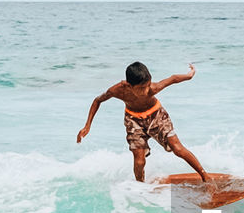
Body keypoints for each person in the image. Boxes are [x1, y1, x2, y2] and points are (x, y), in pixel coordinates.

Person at [76, 61, 209, 183]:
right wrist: (87, 126)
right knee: (139, 161)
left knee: (177, 148)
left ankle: (204, 176)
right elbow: (97, 100)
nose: (146, 90)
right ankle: (141, 186)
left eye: (147, 85)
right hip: (133, 120)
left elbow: (173, 78)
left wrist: (189, 75)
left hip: (156, 115)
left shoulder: (152, 88)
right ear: (129, 85)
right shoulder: (117, 91)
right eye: (141, 88)